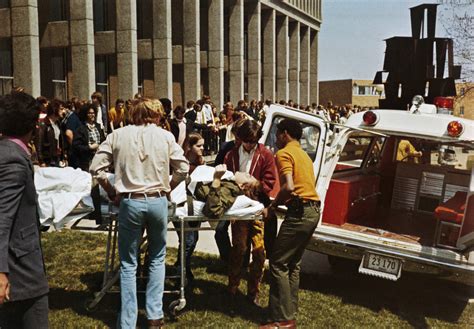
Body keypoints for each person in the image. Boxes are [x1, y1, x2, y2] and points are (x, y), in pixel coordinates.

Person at [90, 98, 189, 329]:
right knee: (157, 257)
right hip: (157, 201)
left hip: (130, 201)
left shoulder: (118, 135)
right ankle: (154, 315)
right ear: (154, 115)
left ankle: (128, 321)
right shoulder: (165, 136)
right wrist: (168, 187)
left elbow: (96, 168)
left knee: (128, 262)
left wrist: (111, 190)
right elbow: (183, 168)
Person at [260, 119, 321, 329]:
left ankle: (281, 319)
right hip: (313, 211)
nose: (276, 139)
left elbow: (288, 186)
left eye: (277, 134)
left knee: (277, 262)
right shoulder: (304, 155)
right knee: (292, 264)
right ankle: (289, 314)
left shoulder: (284, 153)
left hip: (300, 212)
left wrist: (272, 206)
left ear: (285, 134)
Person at [0, 91, 49, 329]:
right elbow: (2, 217)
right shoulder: (14, 160)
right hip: (20, 269)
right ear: (32, 125)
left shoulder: (7, 151)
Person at [224, 119, 277, 305]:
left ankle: (253, 291)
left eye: (252, 142)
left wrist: (257, 184)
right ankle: (232, 288)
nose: (248, 145)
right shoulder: (231, 155)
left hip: (257, 208)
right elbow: (225, 181)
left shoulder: (266, 155)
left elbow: (271, 182)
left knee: (259, 251)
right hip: (238, 208)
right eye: (246, 141)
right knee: (238, 249)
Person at [173, 132, 205, 283]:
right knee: (188, 240)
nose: (202, 148)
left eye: (203, 145)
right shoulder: (181, 163)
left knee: (193, 239)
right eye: (199, 146)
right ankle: (181, 271)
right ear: (189, 146)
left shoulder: (200, 162)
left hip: (194, 204)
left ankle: (182, 265)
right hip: (181, 204)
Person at [73, 103, 106, 172]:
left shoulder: (98, 126)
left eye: (93, 113)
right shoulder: (81, 129)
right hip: (87, 161)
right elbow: (76, 145)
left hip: (99, 158)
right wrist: (90, 147)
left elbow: (104, 141)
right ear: (85, 114)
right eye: (90, 113)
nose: (92, 115)